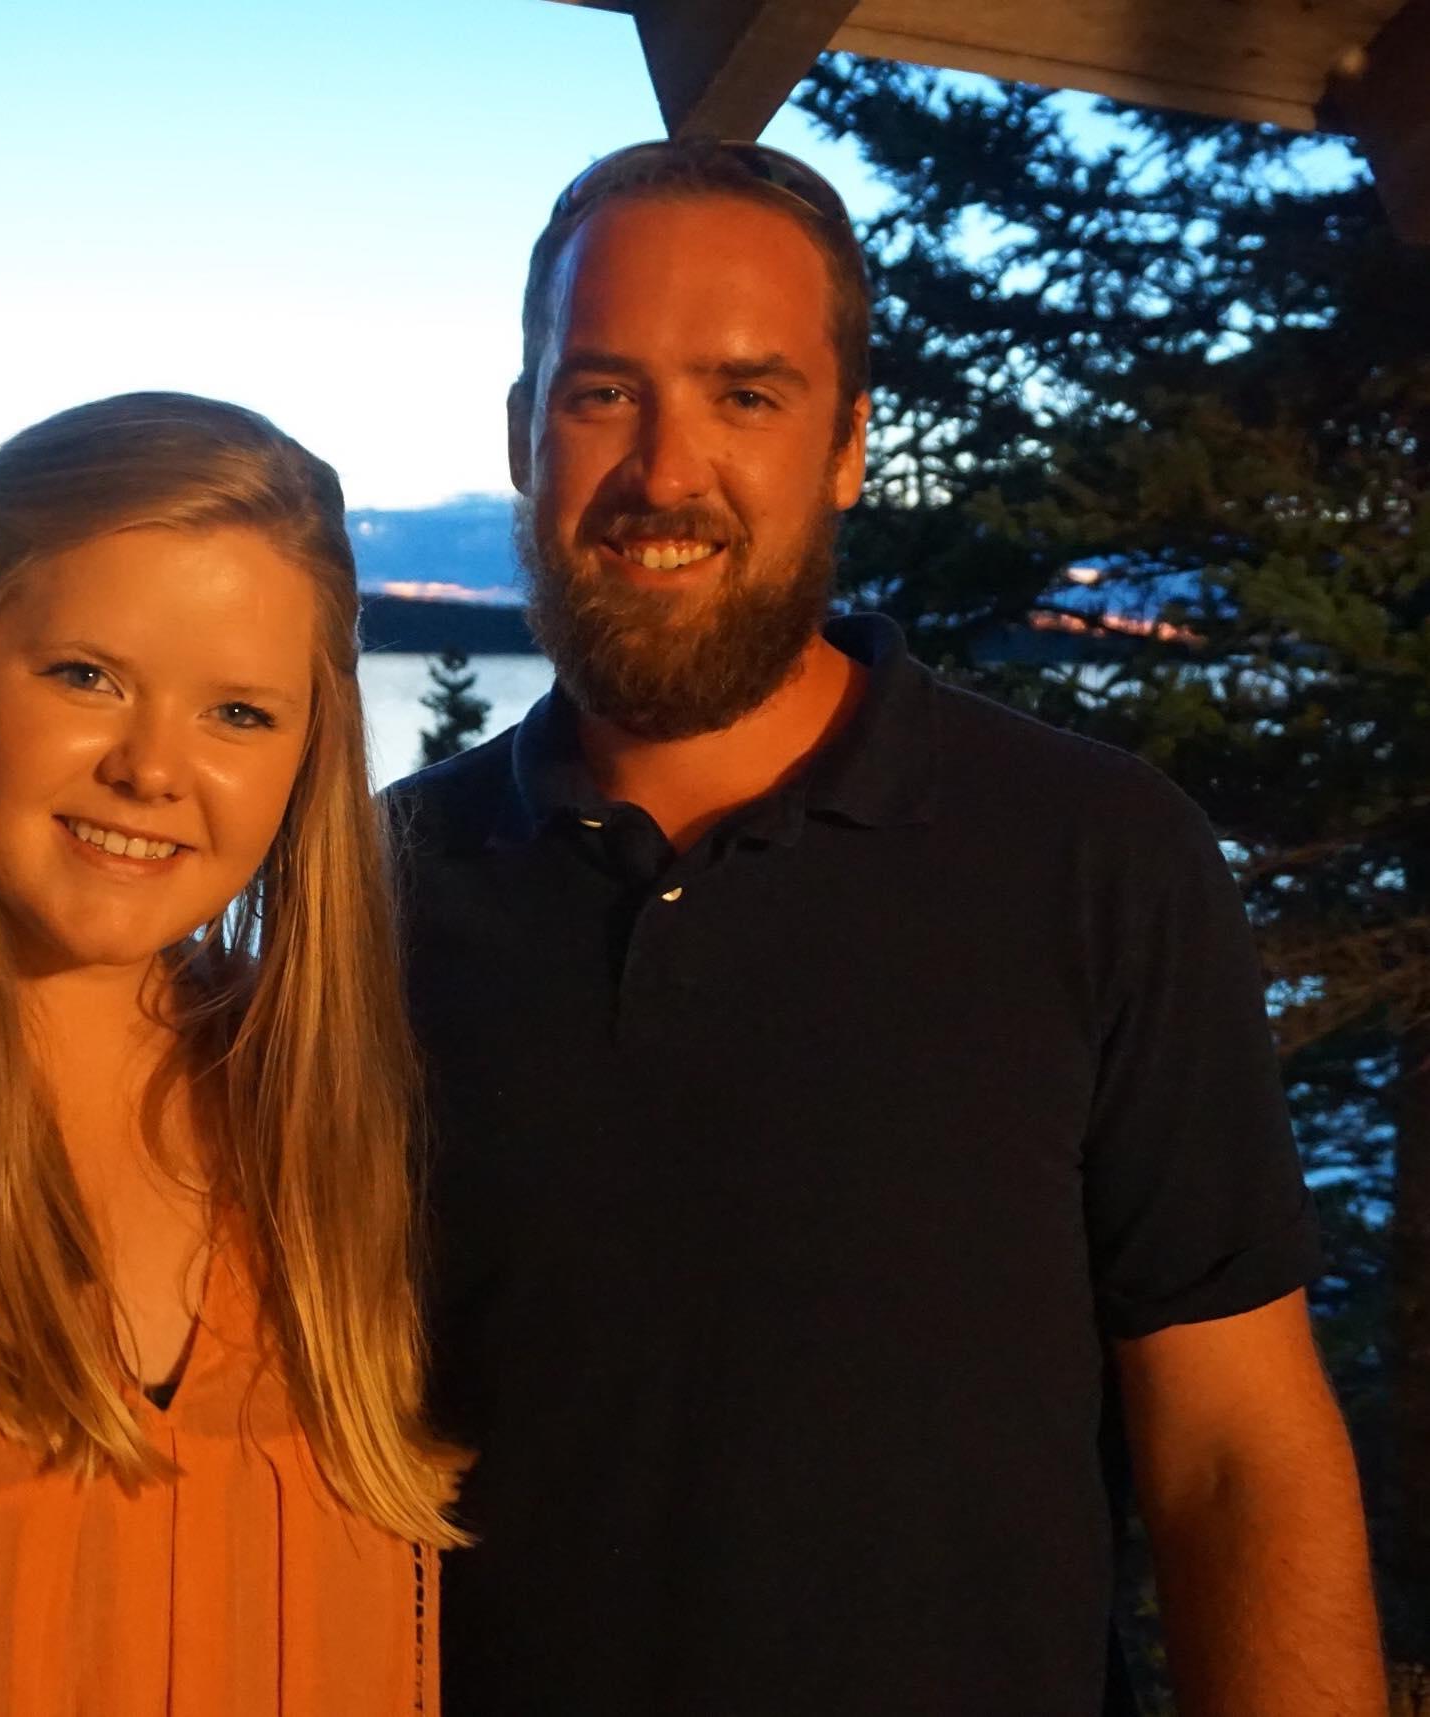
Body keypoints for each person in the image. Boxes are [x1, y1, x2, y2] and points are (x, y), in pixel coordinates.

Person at [388, 141, 1388, 1715]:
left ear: (847, 444)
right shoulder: (372, 891)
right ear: (523, 434)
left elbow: (1232, 1456)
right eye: (601, 393)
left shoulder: (1092, 857)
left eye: (744, 395)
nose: (664, 470)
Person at [0, 392, 460, 1716]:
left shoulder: (304, 1103)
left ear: (309, 756)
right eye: (85, 676)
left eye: (238, 712)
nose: (151, 767)